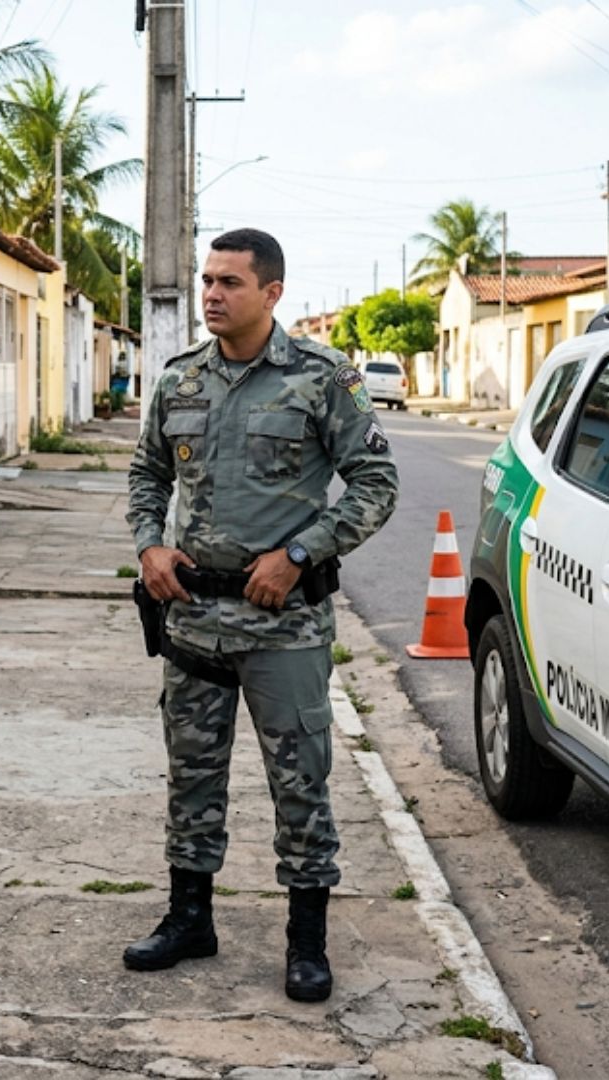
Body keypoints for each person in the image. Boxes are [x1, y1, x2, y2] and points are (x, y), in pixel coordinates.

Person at [123, 228, 398, 1003]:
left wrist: (302, 553)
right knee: (192, 778)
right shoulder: (178, 381)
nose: (211, 294)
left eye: (229, 283)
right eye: (207, 280)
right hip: (193, 624)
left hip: (283, 628)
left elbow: (376, 483)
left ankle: (306, 942)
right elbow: (146, 472)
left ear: (272, 293)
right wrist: (149, 545)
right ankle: (189, 919)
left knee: (301, 784)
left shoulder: (321, 379)